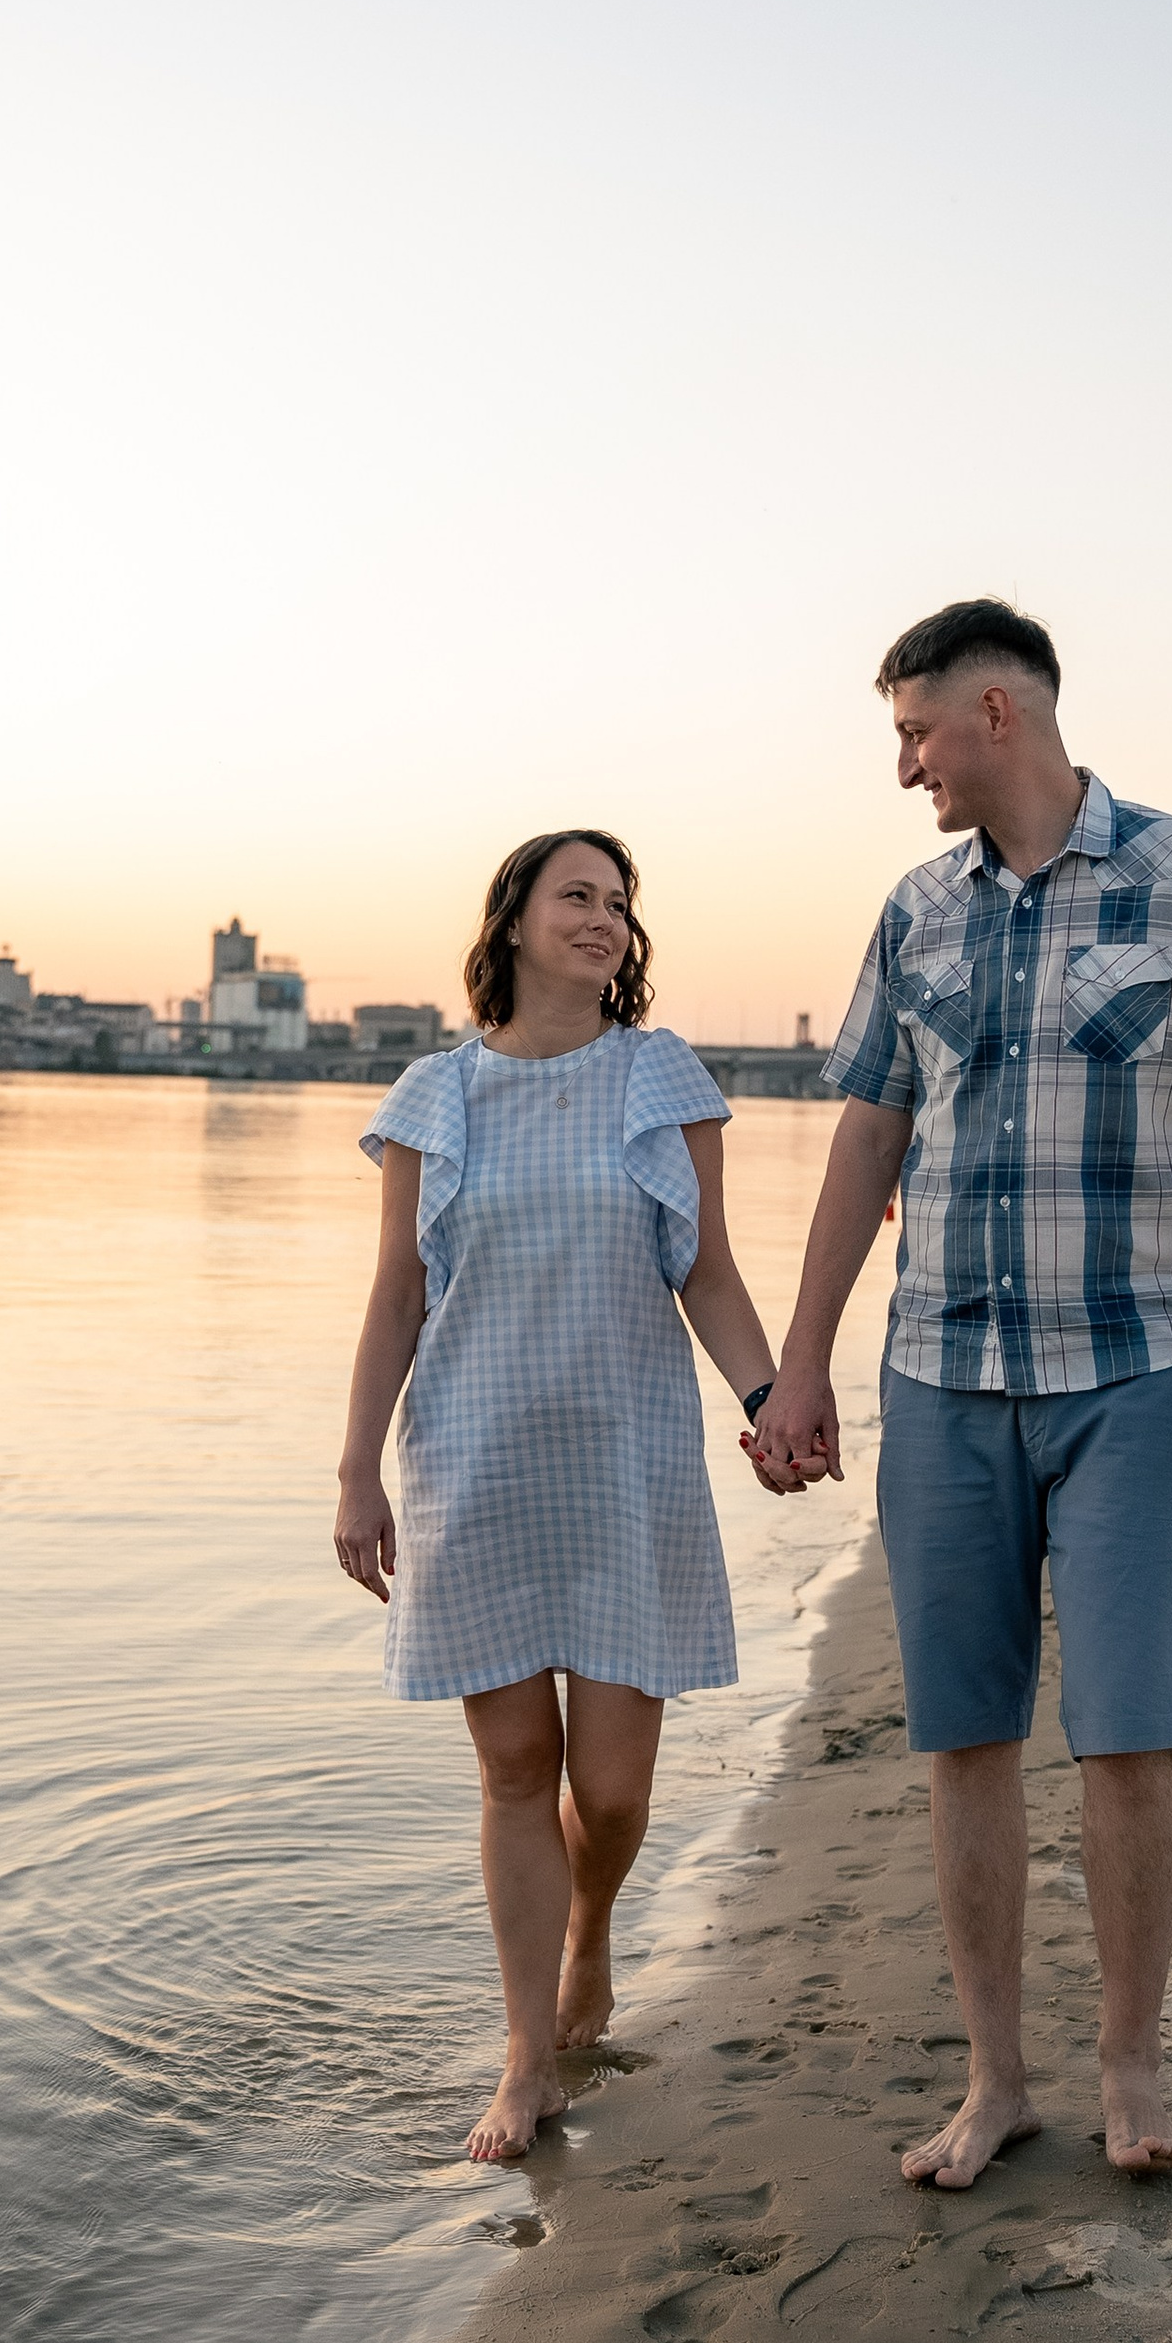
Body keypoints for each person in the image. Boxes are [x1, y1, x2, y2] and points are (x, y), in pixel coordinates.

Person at [750, 599, 1172, 2185]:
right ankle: (997, 2080)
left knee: (1132, 1734)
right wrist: (804, 1356)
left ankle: (1132, 2074)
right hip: (942, 1371)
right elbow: (865, 1133)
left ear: (997, 713)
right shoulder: (913, 911)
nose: (905, 767)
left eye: (915, 733)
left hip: (1134, 1366)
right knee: (965, 1737)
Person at [336, 830, 784, 2165]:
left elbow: (704, 1271)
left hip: (627, 1459)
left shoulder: (661, 1076)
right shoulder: (436, 1093)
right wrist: (355, 1471)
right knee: (517, 1769)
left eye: (619, 902)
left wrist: (768, 1405)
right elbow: (397, 1297)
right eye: (577, 896)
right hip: (472, 1458)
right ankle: (527, 2056)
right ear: (517, 919)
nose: (604, 918)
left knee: (619, 1786)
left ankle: (593, 1932)